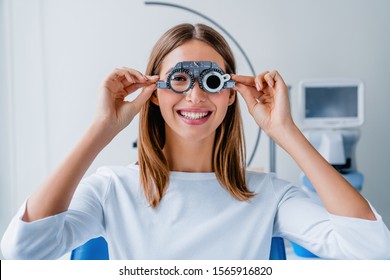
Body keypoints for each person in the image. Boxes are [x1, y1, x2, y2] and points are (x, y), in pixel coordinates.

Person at [1, 23, 390, 260]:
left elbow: (372, 249)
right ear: (154, 91)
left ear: (231, 92)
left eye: (212, 81)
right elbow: (22, 249)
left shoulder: (268, 194)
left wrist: (284, 131)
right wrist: (102, 128)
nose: (195, 96)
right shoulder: (111, 190)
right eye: (179, 79)